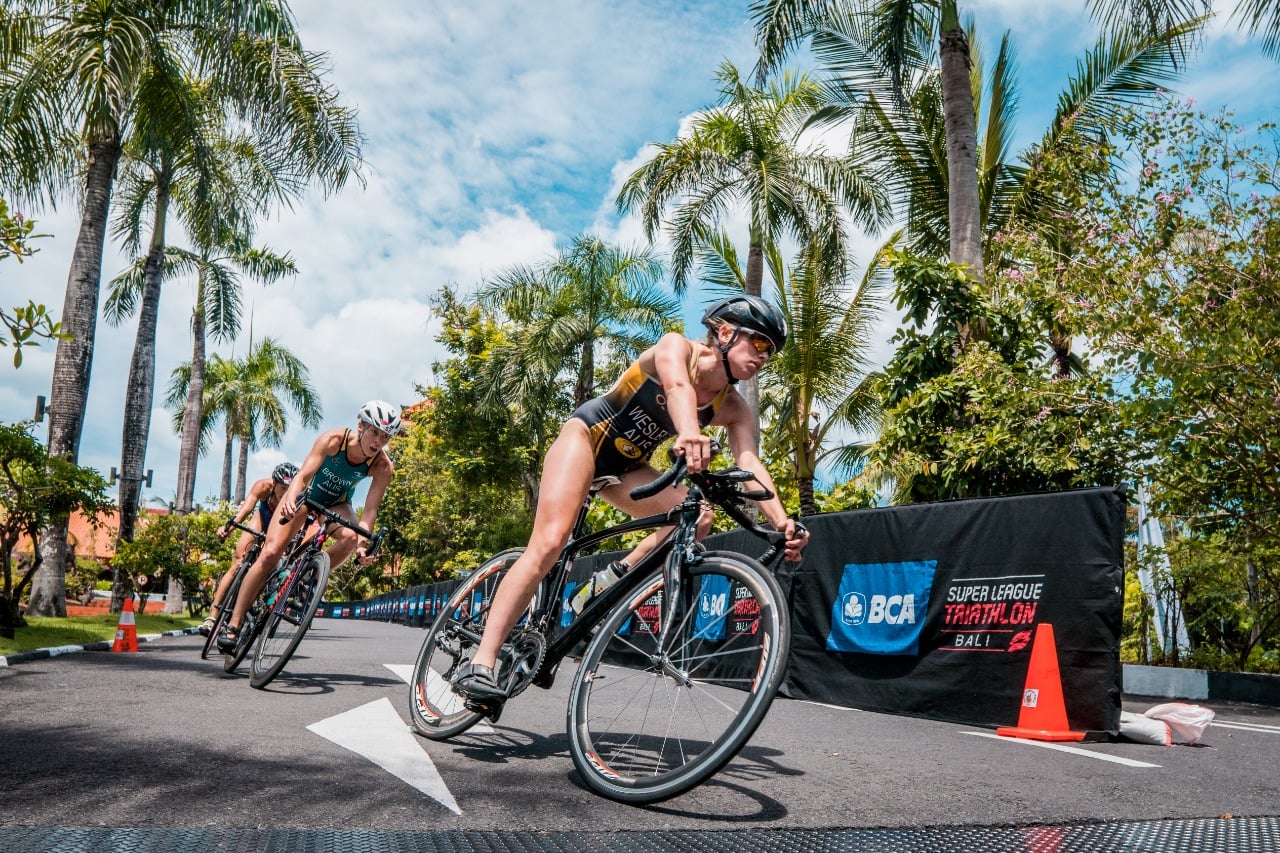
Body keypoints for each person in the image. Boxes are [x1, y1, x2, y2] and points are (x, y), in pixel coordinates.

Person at [451, 294, 811, 710]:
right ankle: (481, 662)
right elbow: (676, 387)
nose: (766, 357)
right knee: (550, 542)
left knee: (697, 519)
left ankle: (613, 576)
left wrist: (783, 521)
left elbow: (749, 462)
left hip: (625, 470)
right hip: (586, 439)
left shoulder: (734, 408)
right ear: (726, 333)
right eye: (761, 344)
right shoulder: (678, 347)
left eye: (773, 352)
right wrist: (690, 434)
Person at [216, 401, 401, 654]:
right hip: (306, 495)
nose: (378, 442)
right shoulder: (333, 440)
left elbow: (369, 511)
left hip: (338, 504)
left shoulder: (382, 467)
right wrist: (290, 500)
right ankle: (233, 625)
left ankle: (307, 577)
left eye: (385, 437)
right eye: (375, 433)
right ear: (361, 426)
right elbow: (302, 477)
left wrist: (362, 546)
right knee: (270, 554)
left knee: (350, 537)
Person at [198, 461, 298, 636]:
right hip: (263, 517)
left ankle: (240, 615)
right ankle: (212, 616)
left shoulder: (296, 496)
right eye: (282, 488)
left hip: (280, 527)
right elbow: (246, 508)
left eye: (289, 489)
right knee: (238, 562)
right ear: (274, 484)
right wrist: (229, 528)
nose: (285, 493)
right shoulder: (263, 486)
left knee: (264, 569)